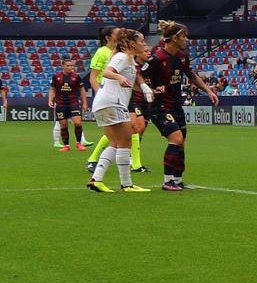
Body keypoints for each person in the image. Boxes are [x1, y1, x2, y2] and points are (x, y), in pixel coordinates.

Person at [140, 21, 221, 192]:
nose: (186, 39)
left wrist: (208, 91)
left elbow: (190, 74)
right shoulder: (157, 57)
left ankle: (177, 180)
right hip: (160, 107)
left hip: (176, 105)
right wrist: (149, 89)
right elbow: (138, 75)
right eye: (183, 36)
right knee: (176, 139)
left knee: (181, 142)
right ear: (174, 38)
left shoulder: (182, 56)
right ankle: (167, 181)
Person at [86, 28, 150, 193]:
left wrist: (145, 88)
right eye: (141, 41)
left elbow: (130, 80)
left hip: (103, 102)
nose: (144, 44)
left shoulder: (127, 59)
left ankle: (96, 179)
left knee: (114, 143)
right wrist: (119, 77)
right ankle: (126, 184)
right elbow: (107, 72)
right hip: (113, 102)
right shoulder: (122, 57)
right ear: (131, 43)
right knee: (125, 141)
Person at [48, 58, 87, 151]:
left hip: (73, 103)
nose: (70, 67)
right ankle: (66, 146)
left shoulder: (76, 77)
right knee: (63, 125)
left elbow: (82, 89)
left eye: (71, 65)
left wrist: (85, 102)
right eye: (68, 65)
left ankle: (79, 143)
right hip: (60, 104)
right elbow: (52, 89)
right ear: (63, 66)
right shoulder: (56, 77)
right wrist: (50, 100)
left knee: (78, 123)